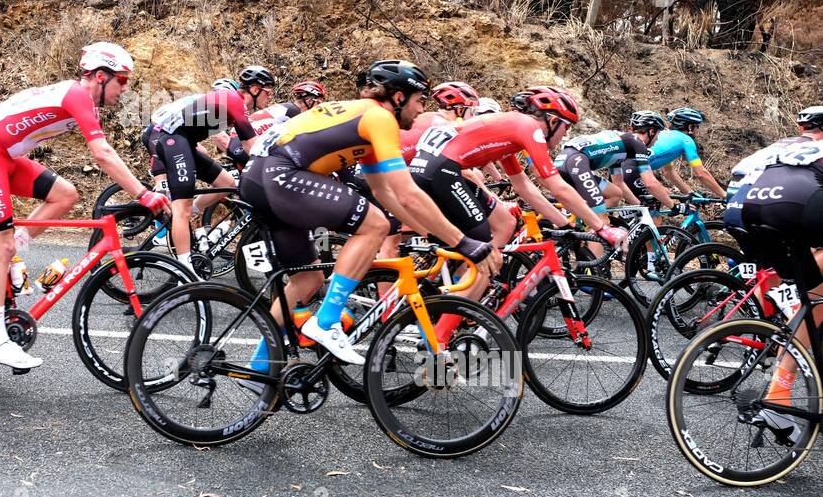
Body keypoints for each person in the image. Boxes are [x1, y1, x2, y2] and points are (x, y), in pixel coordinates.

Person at [241, 60, 498, 367]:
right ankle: (327, 322)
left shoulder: (361, 116)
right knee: (374, 224)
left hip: (259, 178)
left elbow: (383, 191)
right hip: (281, 175)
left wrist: (431, 233)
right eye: (419, 101)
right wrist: (462, 242)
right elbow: (407, 192)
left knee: (308, 280)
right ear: (399, 97)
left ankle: (261, 366)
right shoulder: (380, 117)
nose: (420, 111)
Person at [0, 42, 169, 370]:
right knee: (1, 245)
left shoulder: (83, 102)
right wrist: (143, 193)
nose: (124, 89)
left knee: (65, 195)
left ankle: (10, 251)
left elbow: (99, 151)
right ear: (100, 76)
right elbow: (102, 154)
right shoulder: (77, 95)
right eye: (121, 81)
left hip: (4, 155)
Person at [408, 86, 629, 300]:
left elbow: (523, 185)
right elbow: (556, 186)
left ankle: (463, 302)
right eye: (566, 127)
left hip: (434, 170)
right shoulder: (529, 127)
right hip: (441, 172)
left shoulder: (509, 129)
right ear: (553, 121)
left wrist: (565, 224)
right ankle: (448, 322)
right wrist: (602, 228)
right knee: (486, 253)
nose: (565, 134)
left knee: (504, 223)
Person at [722, 105, 823, 442]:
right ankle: (781, 390)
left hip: (746, 207)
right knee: (819, 294)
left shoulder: (788, 144)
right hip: (793, 204)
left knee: (807, 290)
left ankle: (791, 320)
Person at [144, 66, 264, 271]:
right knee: (182, 208)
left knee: (227, 184)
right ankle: (185, 270)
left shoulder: (232, 105)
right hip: (173, 140)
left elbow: (240, 145)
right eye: (268, 91)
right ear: (254, 89)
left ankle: (185, 217)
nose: (269, 98)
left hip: (185, 143)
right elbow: (252, 146)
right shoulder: (233, 100)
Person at [646, 107, 727, 198]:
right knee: (664, 195)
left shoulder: (664, 136)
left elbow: (669, 172)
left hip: (630, 168)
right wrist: (724, 195)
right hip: (635, 171)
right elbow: (700, 173)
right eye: (697, 126)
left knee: (663, 196)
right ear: (690, 127)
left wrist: (691, 193)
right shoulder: (687, 140)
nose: (698, 130)